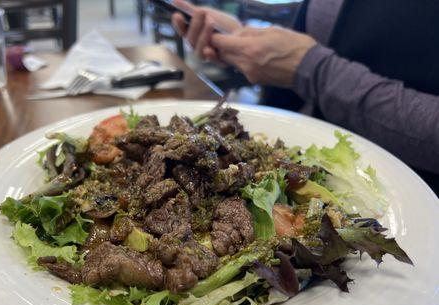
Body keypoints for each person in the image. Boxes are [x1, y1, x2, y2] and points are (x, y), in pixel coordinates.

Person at [171, 0, 439, 191]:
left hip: (409, 199)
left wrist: (315, 70)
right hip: (313, 167)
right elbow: (316, 44)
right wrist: (242, 41)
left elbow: (312, 64)